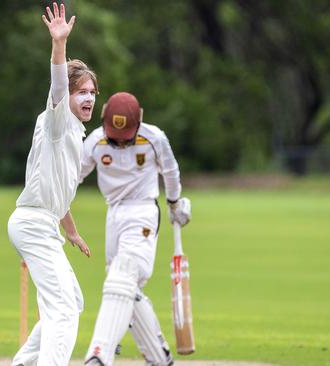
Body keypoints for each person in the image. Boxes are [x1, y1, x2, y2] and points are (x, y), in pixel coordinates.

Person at [8, 2, 97, 365]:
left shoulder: (74, 133)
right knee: (63, 309)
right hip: (33, 224)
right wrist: (59, 45)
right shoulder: (57, 121)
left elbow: (58, 192)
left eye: (92, 92)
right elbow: (58, 83)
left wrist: (72, 231)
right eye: (82, 92)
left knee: (71, 300)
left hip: (43, 223)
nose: (89, 97)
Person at [80, 92, 192, 365]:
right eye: (113, 135)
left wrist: (175, 203)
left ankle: (99, 355)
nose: (119, 141)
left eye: (125, 135)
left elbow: (171, 171)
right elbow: (73, 175)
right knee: (123, 286)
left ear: (138, 122)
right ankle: (159, 357)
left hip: (142, 210)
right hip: (113, 214)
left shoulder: (154, 138)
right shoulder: (95, 141)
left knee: (123, 274)